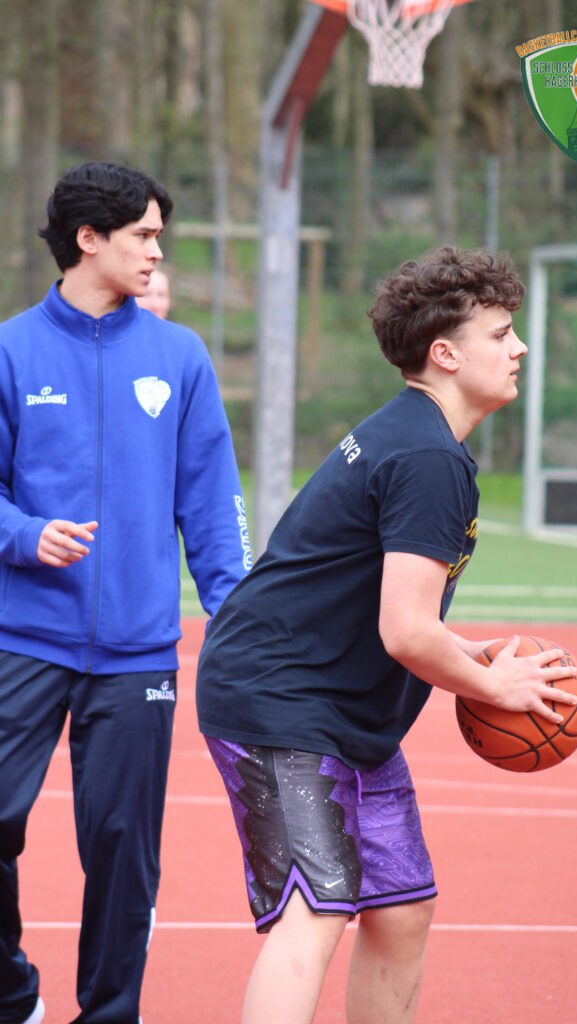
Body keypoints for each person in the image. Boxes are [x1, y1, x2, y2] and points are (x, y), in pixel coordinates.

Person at [195, 246, 577, 1024]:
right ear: (445, 354)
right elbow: (404, 632)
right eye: (500, 334)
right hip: (281, 702)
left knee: (401, 908)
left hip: (338, 709)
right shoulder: (427, 455)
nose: (518, 347)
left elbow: (403, 615)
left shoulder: (419, 438)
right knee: (317, 906)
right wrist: (495, 685)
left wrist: (468, 653)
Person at [0, 162, 251, 1024]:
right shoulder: (10, 349)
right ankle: (11, 995)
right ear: (88, 238)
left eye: (157, 236)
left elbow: (211, 502)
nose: (156, 251)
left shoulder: (180, 356)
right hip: (21, 639)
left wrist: (236, 612)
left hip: (138, 654)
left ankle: (109, 1016)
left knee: (121, 855)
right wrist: (26, 536)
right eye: (143, 235)